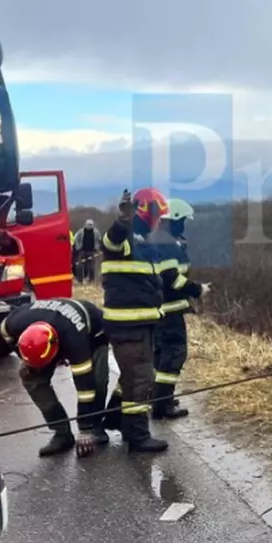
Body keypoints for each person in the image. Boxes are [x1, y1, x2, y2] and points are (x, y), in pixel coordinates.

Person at [97, 188, 170, 453]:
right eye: (158, 215)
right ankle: (138, 436)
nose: (160, 221)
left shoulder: (145, 242)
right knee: (140, 379)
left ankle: (115, 418)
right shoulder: (125, 235)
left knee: (132, 376)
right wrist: (123, 221)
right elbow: (110, 242)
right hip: (128, 325)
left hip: (140, 323)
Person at [0, 297, 112, 458]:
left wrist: (85, 429)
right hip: (52, 329)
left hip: (93, 333)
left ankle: (95, 427)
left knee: (96, 379)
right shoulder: (15, 323)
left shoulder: (75, 340)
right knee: (31, 378)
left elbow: (85, 388)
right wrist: (25, 360)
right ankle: (62, 434)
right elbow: (4, 332)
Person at [149, 197, 209, 419]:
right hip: (169, 312)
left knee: (159, 356)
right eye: (182, 220)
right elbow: (171, 279)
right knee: (173, 356)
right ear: (172, 219)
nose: (184, 225)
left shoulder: (158, 239)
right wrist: (198, 289)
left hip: (158, 310)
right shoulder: (166, 244)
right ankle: (163, 405)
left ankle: (159, 397)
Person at [71, 219, 101, 284]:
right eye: (88, 224)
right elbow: (76, 240)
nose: (89, 226)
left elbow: (99, 240)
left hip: (92, 251)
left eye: (91, 225)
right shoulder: (80, 232)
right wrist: (78, 248)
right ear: (85, 224)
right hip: (82, 251)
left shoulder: (96, 232)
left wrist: (97, 248)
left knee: (91, 267)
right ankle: (80, 280)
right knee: (79, 266)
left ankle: (91, 281)